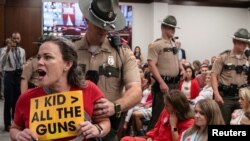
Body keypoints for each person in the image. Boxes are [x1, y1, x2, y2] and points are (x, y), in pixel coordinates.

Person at [9, 36, 110, 141]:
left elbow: (105, 122)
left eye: (47, 57)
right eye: (39, 57)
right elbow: (15, 128)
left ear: (67, 64)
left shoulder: (89, 90)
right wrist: (18, 135)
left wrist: (97, 129)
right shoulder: (26, 98)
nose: (39, 62)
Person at [76, 0, 142, 140]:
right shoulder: (71, 51)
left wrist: (116, 107)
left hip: (107, 130)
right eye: (98, 23)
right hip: (75, 127)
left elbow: (136, 91)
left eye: (107, 25)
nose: (103, 29)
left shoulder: (122, 53)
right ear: (87, 19)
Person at [147, 15, 185, 131]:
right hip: (163, 84)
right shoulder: (155, 45)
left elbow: (177, 59)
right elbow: (151, 64)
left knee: (173, 112)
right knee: (158, 114)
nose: (173, 30)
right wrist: (161, 82)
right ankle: (152, 136)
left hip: (174, 84)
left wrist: (182, 68)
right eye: (170, 28)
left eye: (174, 28)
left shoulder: (173, 43)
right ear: (163, 27)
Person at [121, 89, 194, 141]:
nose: (165, 107)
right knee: (125, 139)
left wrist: (173, 126)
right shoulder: (166, 111)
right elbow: (156, 128)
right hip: (155, 139)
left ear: (176, 107)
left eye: (167, 105)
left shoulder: (189, 123)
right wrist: (150, 137)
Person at [211, 28, 250, 124]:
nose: (244, 45)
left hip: (241, 97)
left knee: (240, 122)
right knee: (223, 123)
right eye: (242, 42)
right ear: (234, 41)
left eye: (246, 43)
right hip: (226, 97)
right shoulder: (223, 57)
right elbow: (213, 75)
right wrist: (216, 94)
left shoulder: (247, 57)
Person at [0, 35, 26, 132]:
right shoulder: (4, 50)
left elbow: (23, 63)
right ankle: (7, 124)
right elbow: (1, 63)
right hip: (9, 76)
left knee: (17, 101)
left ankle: (16, 123)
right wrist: (7, 50)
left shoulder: (22, 50)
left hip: (18, 76)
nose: (15, 40)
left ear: (20, 39)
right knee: (8, 101)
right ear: (11, 39)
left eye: (17, 38)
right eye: (14, 38)